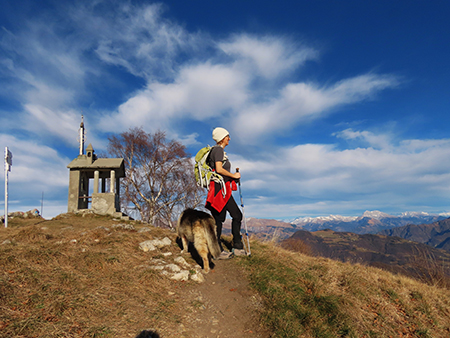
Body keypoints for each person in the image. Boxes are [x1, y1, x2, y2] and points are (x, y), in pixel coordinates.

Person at [205, 127, 246, 258]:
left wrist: (232, 178)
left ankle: (218, 249)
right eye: (228, 136)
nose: (229, 138)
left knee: (219, 219)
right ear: (222, 137)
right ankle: (236, 247)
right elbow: (219, 169)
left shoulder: (217, 151)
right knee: (236, 215)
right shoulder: (218, 150)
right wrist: (233, 176)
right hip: (220, 191)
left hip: (219, 189)